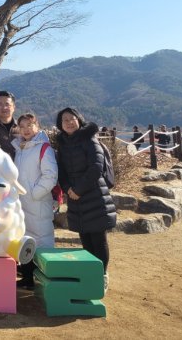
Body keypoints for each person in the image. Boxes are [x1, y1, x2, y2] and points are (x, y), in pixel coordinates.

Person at [55, 107, 116, 292]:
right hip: (75, 197)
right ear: (60, 125)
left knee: (98, 238)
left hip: (94, 194)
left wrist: (79, 189)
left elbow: (96, 167)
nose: (69, 122)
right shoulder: (63, 145)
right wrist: (68, 189)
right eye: (65, 120)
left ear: (79, 120)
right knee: (85, 238)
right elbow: (62, 171)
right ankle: (90, 274)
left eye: (72, 119)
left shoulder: (90, 139)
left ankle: (102, 275)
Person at [11, 113, 58, 290]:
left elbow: (50, 175)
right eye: (22, 126)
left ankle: (46, 280)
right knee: (25, 240)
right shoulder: (20, 148)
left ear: (37, 126)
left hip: (37, 203)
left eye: (29, 125)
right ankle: (28, 277)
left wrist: (34, 194)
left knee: (42, 239)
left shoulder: (43, 147)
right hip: (21, 204)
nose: (26, 129)